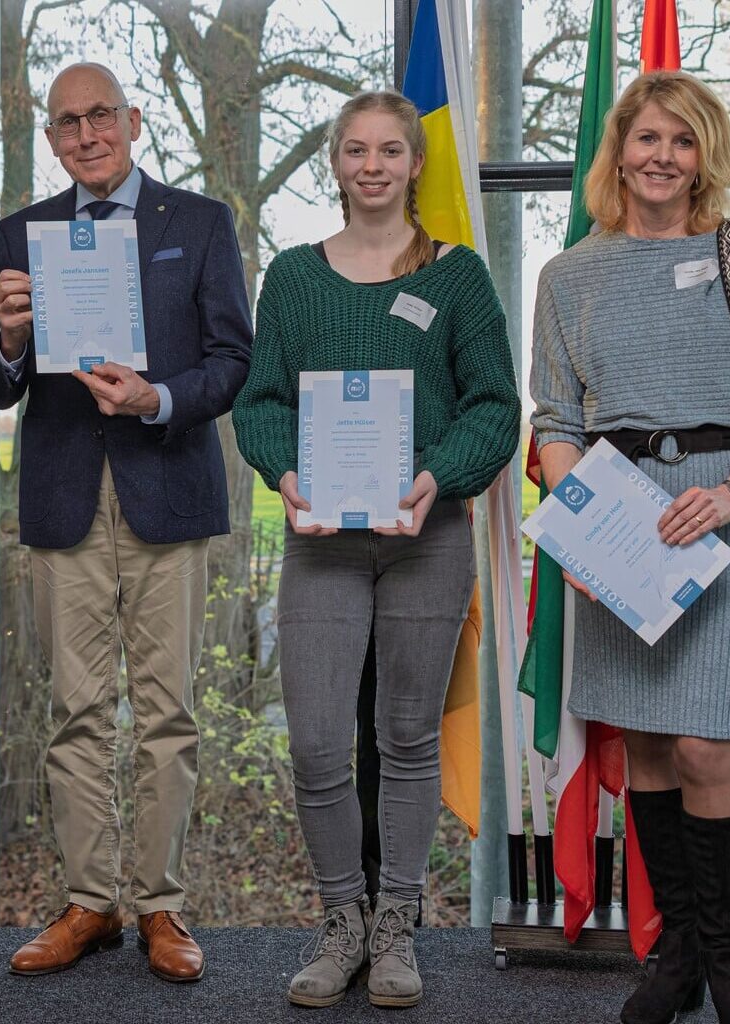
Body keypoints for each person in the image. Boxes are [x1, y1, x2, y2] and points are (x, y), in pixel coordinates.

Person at [530, 71, 730, 1024]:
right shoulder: (567, 274)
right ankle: (676, 959)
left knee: (703, 742)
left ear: (707, 156)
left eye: (683, 141)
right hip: (616, 523)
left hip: (722, 517)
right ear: (618, 152)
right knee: (647, 742)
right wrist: (578, 516)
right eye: (647, 139)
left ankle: (725, 958)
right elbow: (557, 417)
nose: (662, 157)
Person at [233, 90, 519, 1009]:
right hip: (322, 544)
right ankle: (340, 922)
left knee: (404, 739)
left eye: (390, 150)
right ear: (336, 162)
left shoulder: (456, 276)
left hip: (425, 540)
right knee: (318, 744)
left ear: (414, 164)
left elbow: (494, 407)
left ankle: (397, 925)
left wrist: (438, 475)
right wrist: (284, 475)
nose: (372, 165)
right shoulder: (292, 276)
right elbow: (260, 402)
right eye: (355, 149)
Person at [0, 62, 252, 985]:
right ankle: (90, 902)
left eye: (101, 116)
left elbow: (232, 363)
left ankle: (160, 906)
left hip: (167, 487)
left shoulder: (200, 223)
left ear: (132, 121)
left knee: (167, 711)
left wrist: (157, 398)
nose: (87, 134)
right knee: (75, 711)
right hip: (64, 496)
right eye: (67, 123)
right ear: (51, 139)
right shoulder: (24, 231)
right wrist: (10, 336)